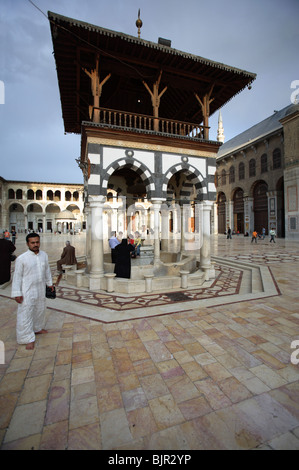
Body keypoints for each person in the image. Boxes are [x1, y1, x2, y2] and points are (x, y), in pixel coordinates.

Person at [11, 233, 54, 350]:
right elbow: (17, 277)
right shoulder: (22, 259)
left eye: (37, 242)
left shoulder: (43, 255)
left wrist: (50, 284)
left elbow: (47, 271)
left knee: (40, 309)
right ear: (27, 244)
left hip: (40, 288)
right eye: (32, 243)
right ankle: (27, 338)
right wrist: (17, 293)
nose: (35, 245)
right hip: (27, 291)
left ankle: (37, 328)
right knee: (26, 313)